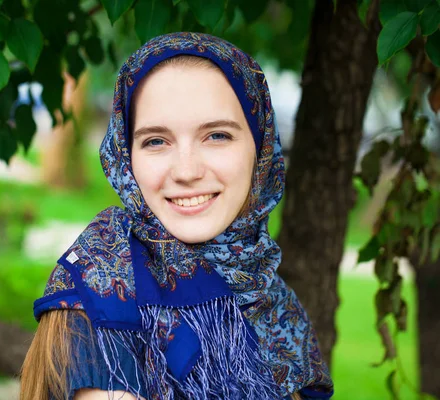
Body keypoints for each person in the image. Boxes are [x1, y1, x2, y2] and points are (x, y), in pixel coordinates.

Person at [20, 32, 334, 400]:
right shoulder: (99, 298)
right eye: (156, 141)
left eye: (216, 136)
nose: (186, 171)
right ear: (126, 157)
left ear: (261, 149)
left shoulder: (270, 297)